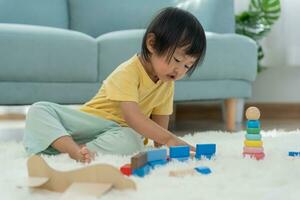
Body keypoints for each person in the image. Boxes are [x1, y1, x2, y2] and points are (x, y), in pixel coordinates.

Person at [23, 7, 206, 163]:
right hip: (89, 123)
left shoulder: (167, 84)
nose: (180, 70)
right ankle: (72, 150)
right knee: (39, 109)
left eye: (187, 66)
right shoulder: (128, 72)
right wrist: (170, 139)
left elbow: (159, 137)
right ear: (152, 44)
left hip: (118, 134)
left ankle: (81, 152)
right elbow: (132, 116)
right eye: (177, 59)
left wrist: (177, 149)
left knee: (132, 140)